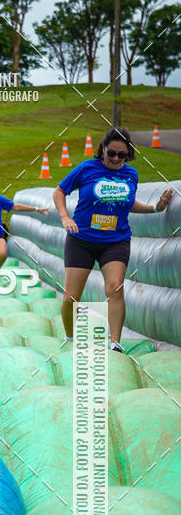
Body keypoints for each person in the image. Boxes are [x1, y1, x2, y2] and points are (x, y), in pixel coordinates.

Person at [54, 126, 173, 352]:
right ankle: (70, 338)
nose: (116, 159)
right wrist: (64, 217)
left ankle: (115, 343)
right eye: (112, 153)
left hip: (115, 241)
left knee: (115, 288)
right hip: (81, 239)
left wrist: (155, 208)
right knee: (71, 298)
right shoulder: (87, 168)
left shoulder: (131, 174)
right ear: (103, 149)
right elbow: (59, 191)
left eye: (122, 155)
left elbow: (127, 203)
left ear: (128, 154)